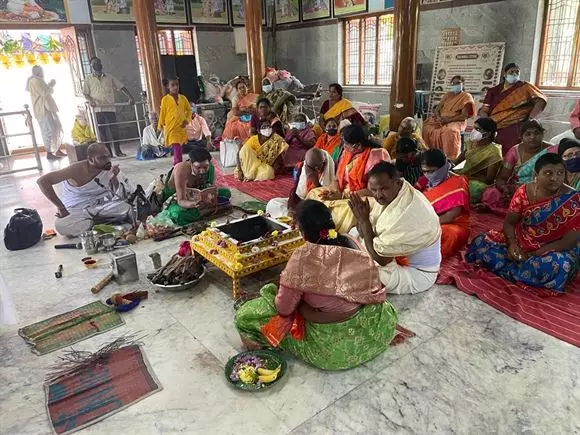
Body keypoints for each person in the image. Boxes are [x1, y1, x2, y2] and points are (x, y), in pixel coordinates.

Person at [234, 199, 398, 370]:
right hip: (376, 329)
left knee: (246, 315)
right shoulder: (351, 242)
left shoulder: (302, 260)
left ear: (302, 232)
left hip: (332, 351)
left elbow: (284, 309)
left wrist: (304, 308)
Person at [466, 153, 579, 293]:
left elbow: (568, 242)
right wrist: (512, 244)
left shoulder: (574, 201)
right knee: (481, 242)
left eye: (560, 173)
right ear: (536, 174)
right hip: (522, 239)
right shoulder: (524, 192)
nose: (555, 178)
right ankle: (523, 271)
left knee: (561, 265)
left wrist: (534, 254)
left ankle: (514, 268)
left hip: (552, 249)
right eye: (548, 173)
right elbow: (509, 223)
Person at [349, 161, 442, 294]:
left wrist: (363, 220)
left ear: (397, 183)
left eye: (383, 189)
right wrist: (361, 220)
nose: (378, 195)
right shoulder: (396, 195)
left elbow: (381, 259)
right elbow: (367, 232)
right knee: (353, 235)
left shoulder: (407, 210)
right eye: (374, 190)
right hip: (393, 257)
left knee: (358, 273)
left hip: (417, 275)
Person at [37, 143, 134, 237]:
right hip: (77, 209)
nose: (107, 160)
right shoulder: (76, 169)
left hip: (101, 207)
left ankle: (100, 223)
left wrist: (114, 178)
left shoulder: (109, 169)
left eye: (108, 156)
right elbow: (42, 181)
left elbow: (121, 195)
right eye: (102, 158)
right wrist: (61, 208)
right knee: (61, 225)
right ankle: (105, 223)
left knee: (128, 206)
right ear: (90, 159)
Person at [307, 124, 390, 233]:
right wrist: (333, 190)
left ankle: (333, 233)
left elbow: (372, 190)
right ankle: (315, 226)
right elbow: (337, 178)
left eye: (346, 144)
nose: (343, 146)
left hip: (363, 195)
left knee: (349, 208)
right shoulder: (347, 152)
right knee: (314, 193)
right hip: (342, 192)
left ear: (358, 145)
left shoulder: (376, 155)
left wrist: (342, 196)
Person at [482, 119, 556, 214]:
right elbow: (502, 178)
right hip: (518, 189)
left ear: (542, 134)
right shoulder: (514, 151)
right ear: (521, 137)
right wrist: (505, 189)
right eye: (528, 134)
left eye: (537, 133)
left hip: (543, 190)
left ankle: (517, 210)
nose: (532, 137)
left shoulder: (552, 150)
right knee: (491, 193)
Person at [478, 63, 547, 154]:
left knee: (512, 148)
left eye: (517, 72)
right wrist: (486, 122)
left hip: (517, 124)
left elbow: (540, 101)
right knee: (489, 147)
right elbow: (484, 109)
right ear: (504, 73)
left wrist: (530, 119)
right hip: (494, 125)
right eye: (511, 72)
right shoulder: (493, 91)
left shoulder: (525, 87)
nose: (514, 74)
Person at [415, 149, 470, 258]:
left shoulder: (458, 182)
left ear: (443, 167)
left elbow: (452, 215)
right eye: (424, 171)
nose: (428, 175)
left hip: (450, 224)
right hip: (422, 221)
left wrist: (426, 225)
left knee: (451, 234)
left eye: (431, 171)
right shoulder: (423, 181)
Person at [160, 147, 231, 226]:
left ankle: (203, 211)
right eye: (198, 167)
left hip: (198, 193)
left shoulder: (210, 166)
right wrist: (192, 204)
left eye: (205, 167)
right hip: (178, 197)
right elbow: (181, 201)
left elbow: (212, 187)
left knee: (226, 192)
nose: (202, 171)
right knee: (179, 216)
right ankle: (207, 211)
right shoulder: (181, 170)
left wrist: (211, 196)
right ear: (191, 163)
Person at [83, 57, 134, 157]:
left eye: (98, 63)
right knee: (102, 133)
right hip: (97, 110)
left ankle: (118, 151)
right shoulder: (88, 79)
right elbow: (85, 93)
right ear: (91, 66)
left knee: (114, 130)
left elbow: (121, 87)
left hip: (110, 108)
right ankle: (108, 153)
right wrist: (91, 101)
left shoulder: (109, 77)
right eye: (94, 63)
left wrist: (130, 97)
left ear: (101, 64)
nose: (96, 65)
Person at [266, 148, 336, 218]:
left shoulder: (332, 169)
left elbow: (325, 200)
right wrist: (291, 208)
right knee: (273, 203)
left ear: (319, 166)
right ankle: (292, 218)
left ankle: (296, 219)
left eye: (315, 167)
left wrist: (315, 181)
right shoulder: (304, 166)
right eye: (308, 166)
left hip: (316, 208)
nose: (306, 169)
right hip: (302, 202)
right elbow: (295, 191)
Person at [422, 75, 476, 159]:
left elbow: (464, 115)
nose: (455, 85)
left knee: (449, 131)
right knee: (427, 128)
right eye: (453, 83)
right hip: (441, 119)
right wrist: (438, 117)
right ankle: (430, 155)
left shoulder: (466, 96)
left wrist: (448, 120)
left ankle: (450, 157)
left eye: (458, 83)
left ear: (463, 84)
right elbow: (438, 108)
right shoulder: (447, 95)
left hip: (456, 121)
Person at [454, 117, 502, 203]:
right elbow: (457, 162)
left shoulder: (494, 152)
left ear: (487, 134)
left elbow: (489, 180)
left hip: (478, 181)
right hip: (464, 176)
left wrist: (467, 177)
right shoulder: (472, 143)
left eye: (478, 129)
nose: (474, 131)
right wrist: (448, 167)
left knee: (476, 189)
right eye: (474, 128)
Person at [26, 65, 66, 160]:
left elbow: (45, 91)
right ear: (37, 72)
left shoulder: (38, 80)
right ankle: (49, 152)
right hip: (43, 109)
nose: (42, 73)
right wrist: (51, 85)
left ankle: (57, 149)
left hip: (48, 108)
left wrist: (49, 86)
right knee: (48, 131)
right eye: (40, 71)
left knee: (56, 127)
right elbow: (44, 93)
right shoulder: (34, 81)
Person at [158, 76, 192, 165]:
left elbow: (189, 110)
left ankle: (177, 163)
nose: (175, 87)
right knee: (176, 145)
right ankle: (177, 164)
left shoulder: (183, 98)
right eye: (172, 85)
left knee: (179, 146)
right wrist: (160, 125)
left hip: (181, 127)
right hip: (171, 127)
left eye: (177, 84)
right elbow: (163, 113)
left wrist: (186, 120)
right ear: (168, 87)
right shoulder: (165, 99)